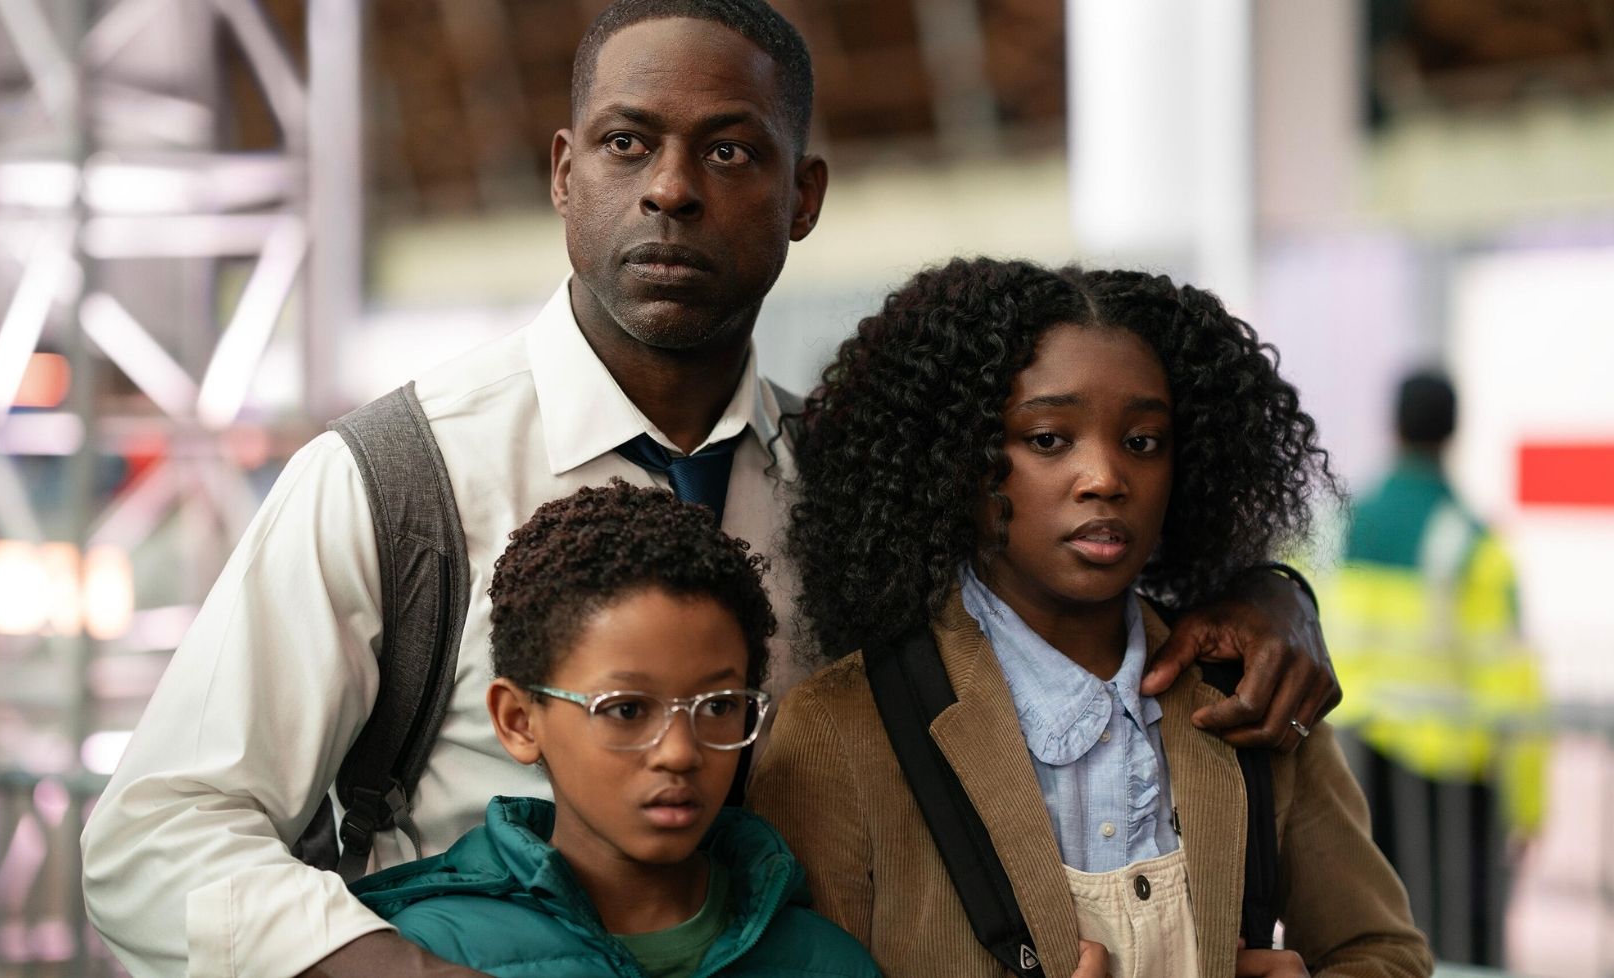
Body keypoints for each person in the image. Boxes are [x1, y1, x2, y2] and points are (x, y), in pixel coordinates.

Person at [80, 3, 1341, 975]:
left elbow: (1061, 600)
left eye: (729, 150)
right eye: (630, 144)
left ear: (802, 197)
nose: (674, 189)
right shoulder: (395, 482)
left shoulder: (856, 479)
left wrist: (1263, 594)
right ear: (565, 173)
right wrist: (396, 966)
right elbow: (156, 835)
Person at [748, 259, 1433, 978]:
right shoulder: (842, 729)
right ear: (960, 462)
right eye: (1048, 439)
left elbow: (1384, 953)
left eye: (1143, 442)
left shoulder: (1251, 694)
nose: (1106, 477)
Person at [348, 481, 884, 977]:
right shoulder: (422, 951)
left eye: (719, 704)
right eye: (626, 710)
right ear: (519, 721)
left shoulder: (825, 961)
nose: (679, 753)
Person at [1323, 370, 1546, 966]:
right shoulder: (1472, 545)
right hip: (1453, 785)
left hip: (1352, 769)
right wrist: (1527, 807)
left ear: (1392, 425)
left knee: (1363, 943)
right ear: (1454, 431)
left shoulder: (1342, 527)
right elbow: (1514, 689)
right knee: (1457, 950)